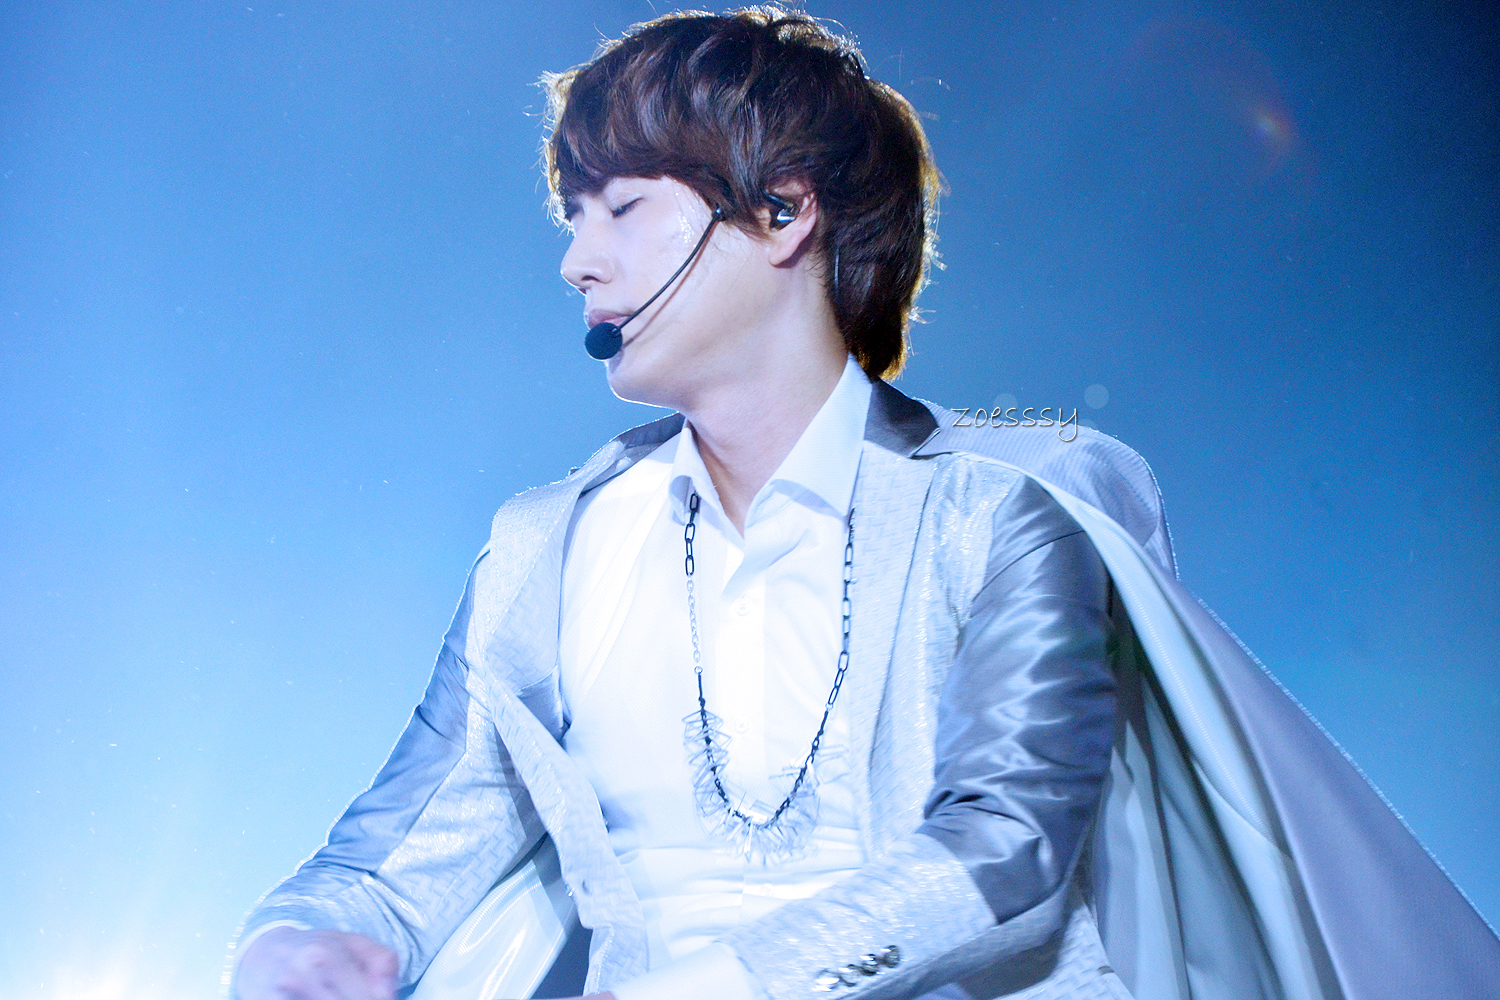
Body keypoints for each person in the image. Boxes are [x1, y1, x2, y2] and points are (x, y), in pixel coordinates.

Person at [232, 9, 1500, 1000]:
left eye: (621, 207)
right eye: (573, 217)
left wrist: (724, 986)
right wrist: (302, 942)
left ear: (783, 212)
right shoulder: (545, 548)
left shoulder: (1007, 508)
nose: (578, 259)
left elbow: (1009, 841)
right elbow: (395, 858)